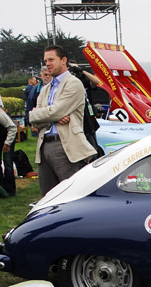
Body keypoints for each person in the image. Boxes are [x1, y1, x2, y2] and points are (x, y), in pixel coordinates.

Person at [29, 45, 97, 197]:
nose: (48, 63)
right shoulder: (46, 89)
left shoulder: (73, 84)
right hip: (44, 147)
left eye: (51, 59)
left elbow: (55, 111)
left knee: (70, 197)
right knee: (48, 199)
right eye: (46, 60)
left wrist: (48, 115)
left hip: (65, 147)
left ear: (64, 60)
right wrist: (53, 118)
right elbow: (33, 119)